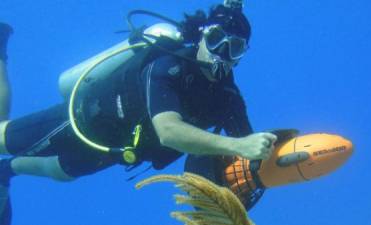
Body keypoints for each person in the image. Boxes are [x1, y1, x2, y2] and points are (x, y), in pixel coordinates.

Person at [0, 1, 277, 224]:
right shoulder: (169, 65)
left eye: (235, 47)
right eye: (217, 39)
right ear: (202, 36)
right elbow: (169, 131)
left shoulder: (227, 98)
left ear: (242, 54)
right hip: (81, 120)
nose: (223, 52)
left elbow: (252, 151)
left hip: (114, 151)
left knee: (61, 172)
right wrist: (238, 144)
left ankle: (5, 170)